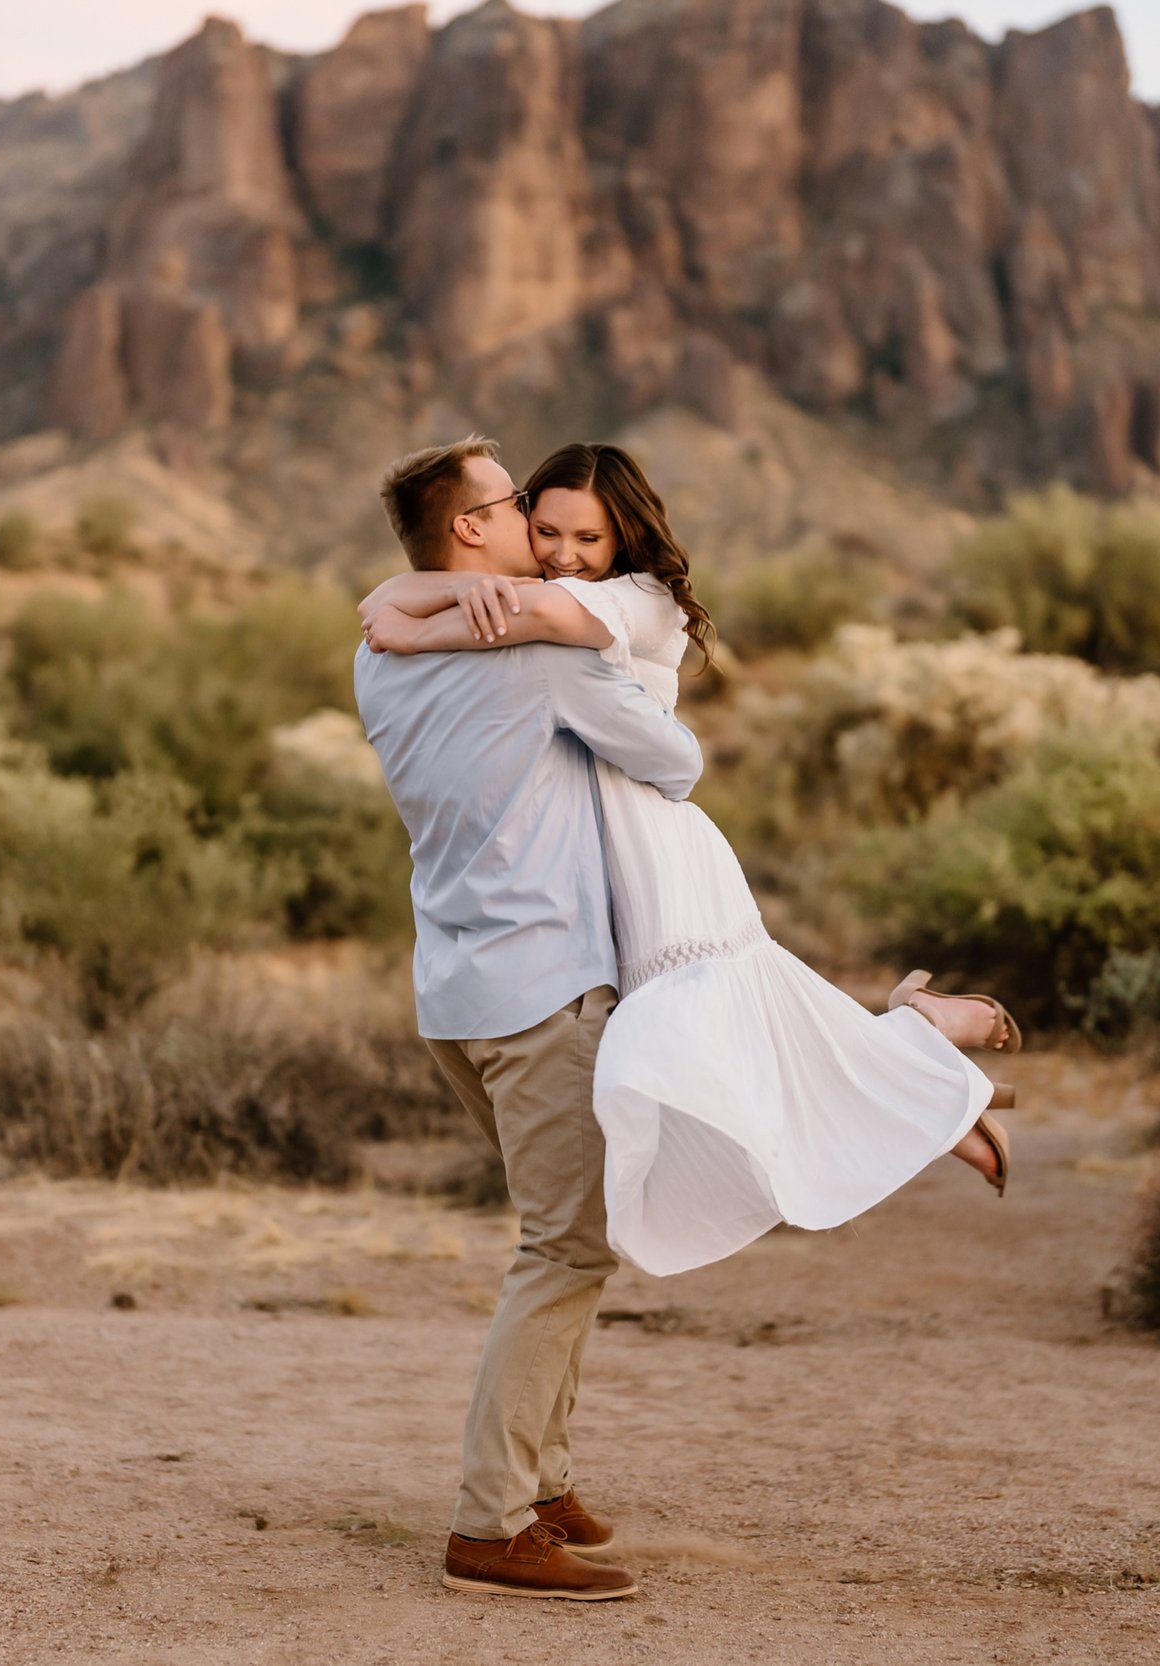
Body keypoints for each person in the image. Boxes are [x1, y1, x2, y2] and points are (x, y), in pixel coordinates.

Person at [359, 441, 1014, 1287]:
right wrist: (433, 596)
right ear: (475, 525)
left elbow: (671, 756)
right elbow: (436, 604)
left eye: (584, 537)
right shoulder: (531, 607)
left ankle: (922, 1059)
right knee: (703, 1058)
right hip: (602, 873)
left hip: (654, 839)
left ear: (622, 536)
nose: (556, 547)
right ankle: (921, 1054)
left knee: (717, 1041)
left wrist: (409, 624)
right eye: (535, 516)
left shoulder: (627, 601)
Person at [355, 435, 696, 1602]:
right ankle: (491, 1522)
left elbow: (397, 606)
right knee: (562, 1250)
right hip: (543, 996)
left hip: (452, 996)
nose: (539, 530)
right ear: (469, 530)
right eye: (511, 505)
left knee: (568, 1238)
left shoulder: (378, 660)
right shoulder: (537, 653)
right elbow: (677, 760)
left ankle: (543, 1482)